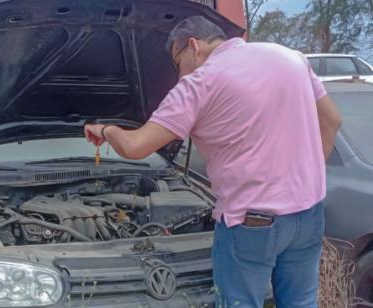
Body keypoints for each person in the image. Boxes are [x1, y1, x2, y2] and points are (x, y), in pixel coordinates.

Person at [84, 16, 341, 308]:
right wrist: (302, 180)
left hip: (252, 224)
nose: (179, 75)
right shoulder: (290, 58)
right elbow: (332, 121)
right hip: (308, 214)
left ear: (193, 46)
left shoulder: (200, 84)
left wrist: (106, 130)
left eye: (176, 63)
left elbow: (135, 147)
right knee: (302, 303)